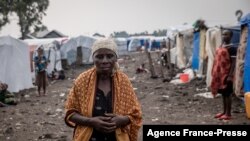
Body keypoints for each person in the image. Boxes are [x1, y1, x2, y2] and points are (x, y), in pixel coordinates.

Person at [65, 39, 142, 141]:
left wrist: (122, 120)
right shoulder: (82, 80)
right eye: (99, 57)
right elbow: (70, 113)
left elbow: (136, 114)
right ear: (93, 58)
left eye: (109, 56)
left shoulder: (123, 81)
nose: (104, 61)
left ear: (116, 58)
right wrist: (91, 122)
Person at [211, 29, 236, 120]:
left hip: (227, 74)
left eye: (226, 34)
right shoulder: (221, 46)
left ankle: (228, 114)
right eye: (223, 34)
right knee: (223, 93)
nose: (224, 36)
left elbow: (233, 63)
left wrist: (230, 75)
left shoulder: (232, 48)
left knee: (228, 93)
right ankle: (224, 111)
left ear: (231, 36)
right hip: (220, 74)